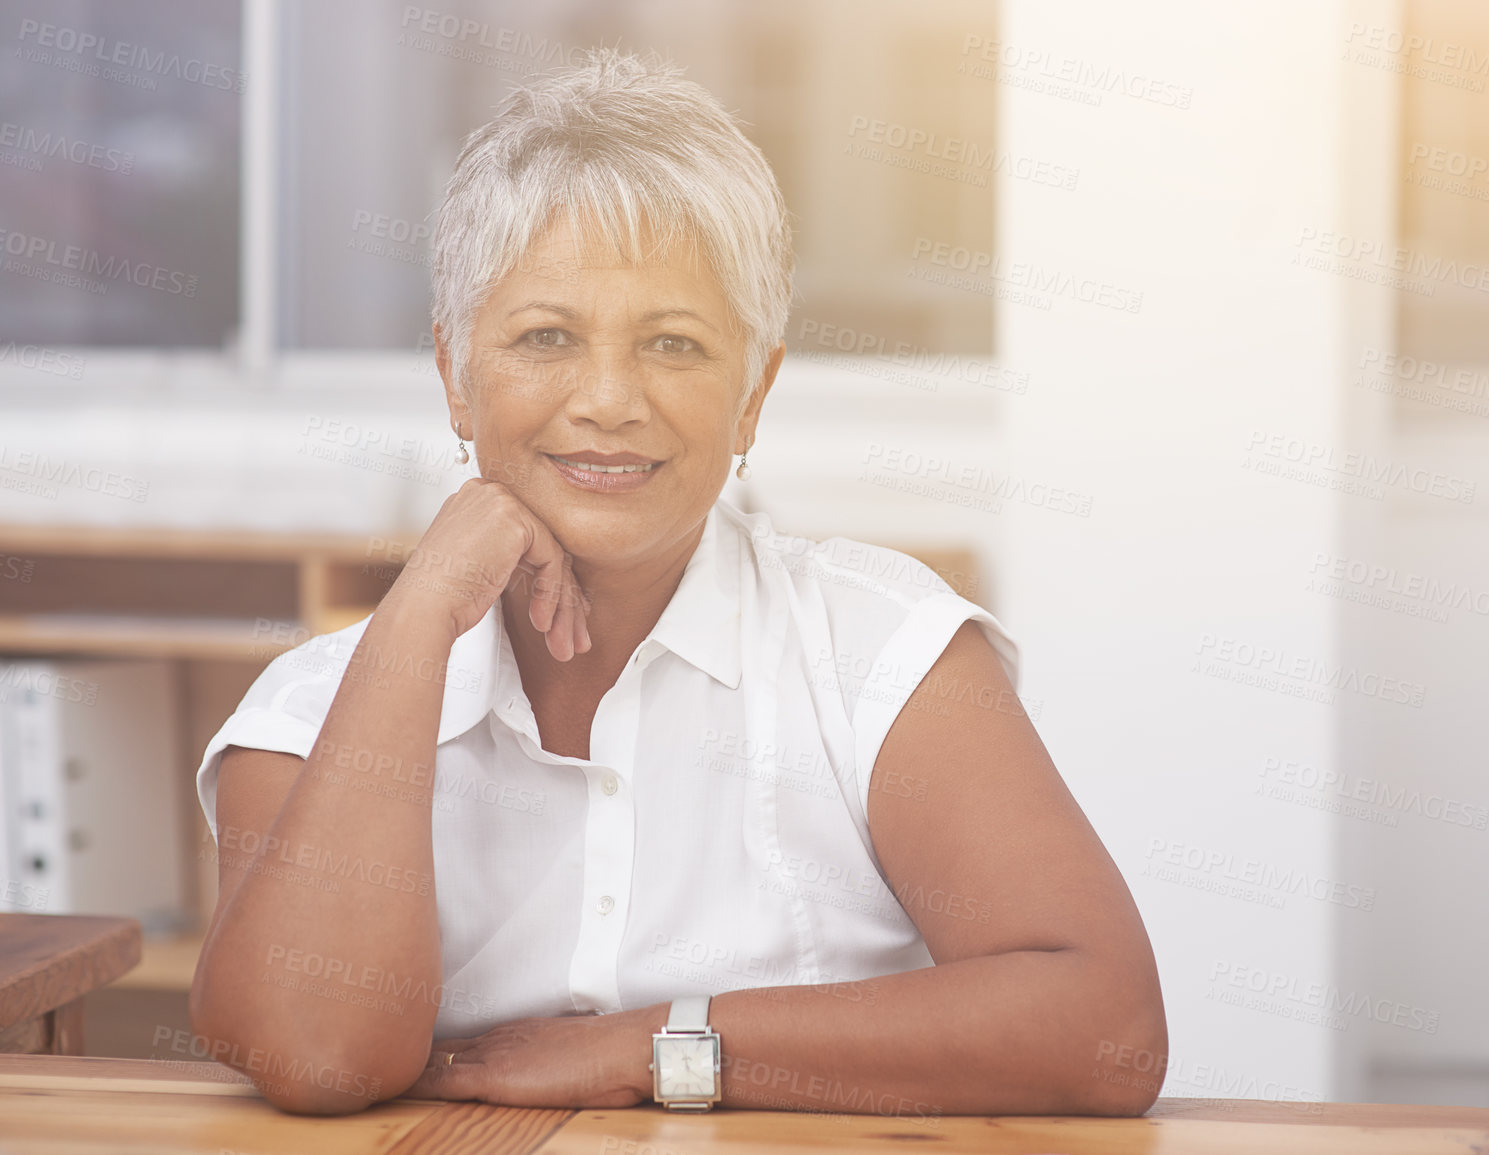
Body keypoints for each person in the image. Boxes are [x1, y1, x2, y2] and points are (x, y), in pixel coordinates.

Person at [188, 48, 1165, 1118]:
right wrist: (419, 613)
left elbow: (1104, 1030)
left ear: (754, 395)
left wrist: (652, 1046)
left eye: (675, 343)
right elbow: (315, 1054)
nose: (608, 399)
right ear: (454, 378)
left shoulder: (880, 650)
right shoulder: (310, 709)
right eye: (546, 337)